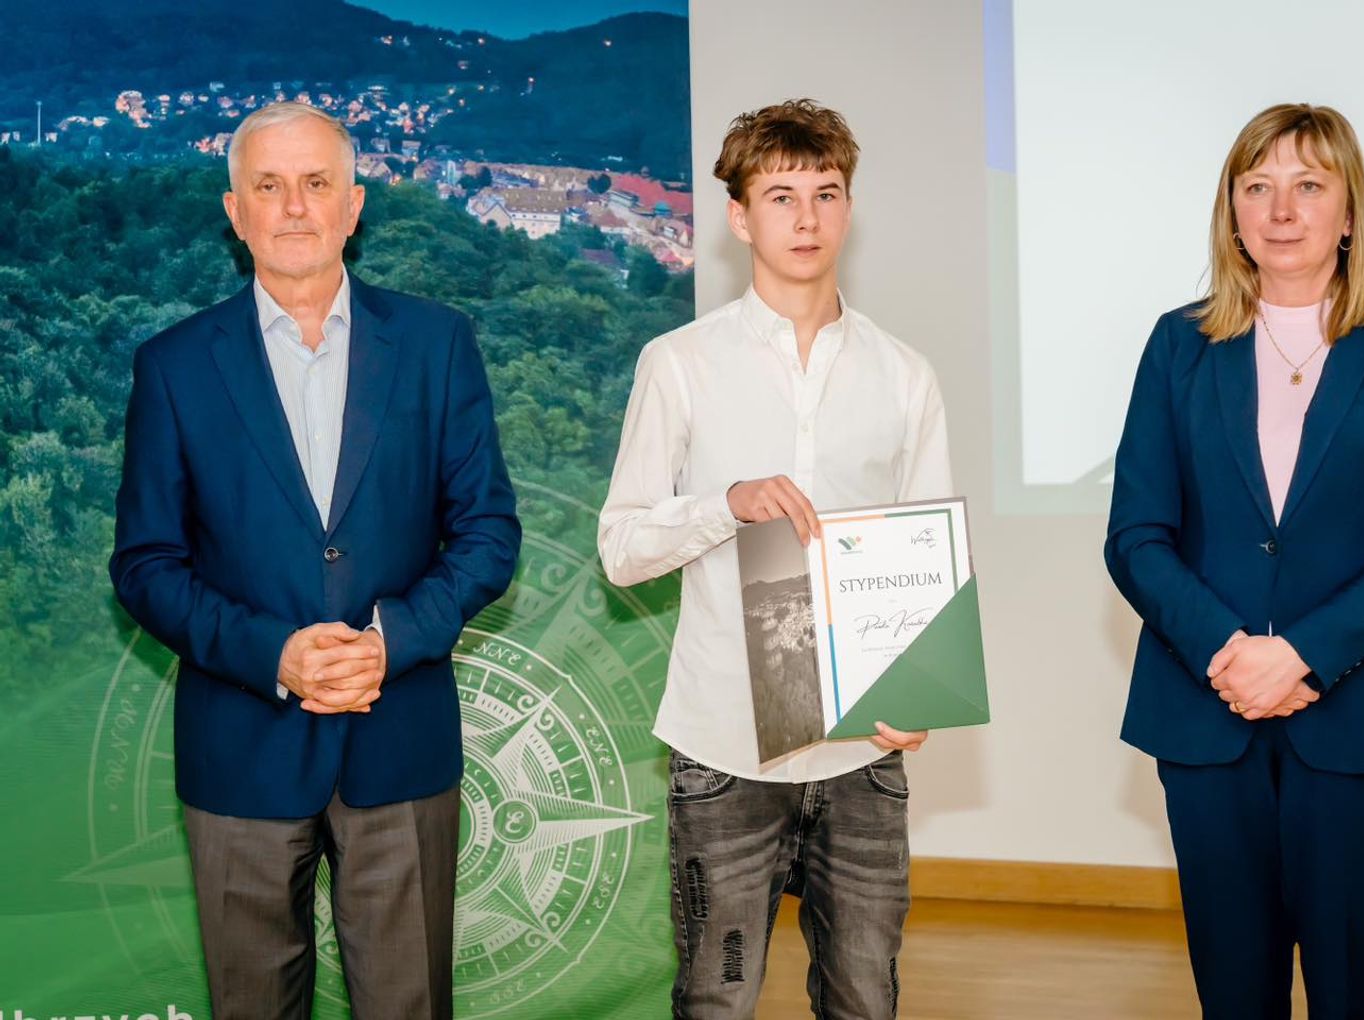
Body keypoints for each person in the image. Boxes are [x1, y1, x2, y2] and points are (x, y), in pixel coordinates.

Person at [109, 101, 520, 1019]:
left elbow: (489, 531)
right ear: (235, 211)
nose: (294, 206)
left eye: (316, 183)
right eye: (268, 185)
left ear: (354, 204)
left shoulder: (437, 344)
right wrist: (276, 654)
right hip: (239, 751)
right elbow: (145, 563)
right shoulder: (173, 366)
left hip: (399, 739)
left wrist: (388, 641)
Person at [1104, 103, 1364, 1019]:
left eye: (1308, 185)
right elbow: (1136, 535)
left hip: (1359, 720)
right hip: (1207, 716)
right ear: (1232, 211)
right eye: (1257, 186)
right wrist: (1229, 652)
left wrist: (1298, 655)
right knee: (1233, 992)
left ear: (1349, 211)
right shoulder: (1179, 343)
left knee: (1354, 989)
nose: (1281, 209)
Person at [598, 99, 952, 1019]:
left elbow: (928, 554)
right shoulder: (679, 363)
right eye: (781, 196)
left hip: (862, 754)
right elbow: (621, 549)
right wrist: (725, 506)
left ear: (849, 209)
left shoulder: (904, 375)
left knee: (866, 1004)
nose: (806, 218)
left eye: (826, 194)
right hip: (724, 752)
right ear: (740, 217)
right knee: (715, 1005)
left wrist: (922, 687)